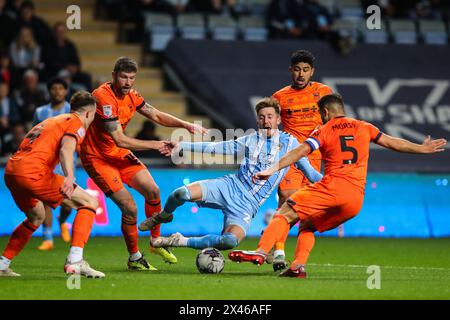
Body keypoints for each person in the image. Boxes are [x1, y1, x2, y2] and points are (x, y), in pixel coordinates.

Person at [228, 93, 447, 278]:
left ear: (324, 112)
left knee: (284, 213)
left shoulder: (324, 129)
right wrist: (421, 148)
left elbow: (299, 152)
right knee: (308, 225)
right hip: (355, 200)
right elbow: (393, 143)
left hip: (331, 187)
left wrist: (271, 168)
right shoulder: (365, 127)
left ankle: (260, 251)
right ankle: (297, 266)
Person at [137, 97, 322, 251]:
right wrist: (181, 145)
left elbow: (312, 174)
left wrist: (339, 182)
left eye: (270, 117)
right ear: (257, 121)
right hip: (229, 186)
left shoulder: (292, 145)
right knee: (179, 194)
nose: (266, 121)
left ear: (278, 120)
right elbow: (217, 148)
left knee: (229, 242)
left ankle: (177, 240)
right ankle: (164, 215)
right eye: (262, 117)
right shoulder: (250, 139)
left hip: (247, 205)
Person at [79, 56, 208, 271]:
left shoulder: (132, 96)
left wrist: (184, 124)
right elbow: (119, 138)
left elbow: (155, 114)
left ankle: (156, 241)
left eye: (131, 78)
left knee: (153, 191)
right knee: (130, 208)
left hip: (118, 154)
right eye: (123, 77)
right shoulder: (103, 98)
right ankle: (134, 257)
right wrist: (156, 145)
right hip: (97, 158)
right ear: (114, 76)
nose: (127, 82)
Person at [0, 91, 105, 278]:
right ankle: (75, 261)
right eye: (94, 116)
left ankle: (2, 264)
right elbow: (67, 148)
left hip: (12, 171)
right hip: (33, 173)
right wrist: (69, 176)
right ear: (89, 113)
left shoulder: (51, 121)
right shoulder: (76, 122)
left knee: (36, 216)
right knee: (89, 202)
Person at [270, 49, 332, 270]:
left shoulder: (324, 92)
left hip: (315, 156)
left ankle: (298, 261)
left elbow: (333, 120)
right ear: (291, 71)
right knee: (286, 197)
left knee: (307, 213)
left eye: (305, 70)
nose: (301, 74)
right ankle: (278, 252)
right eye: (297, 69)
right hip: (290, 155)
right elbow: (270, 124)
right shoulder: (279, 97)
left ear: (312, 71)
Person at [32, 77, 73, 250]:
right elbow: (34, 135)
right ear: (49, 91)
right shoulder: (40, 112)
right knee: (45, 201)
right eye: (54, 88)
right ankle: (48, 239)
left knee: (68, 201)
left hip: (66, 162)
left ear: (65, 91)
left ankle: (62, 220)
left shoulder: (72, 111)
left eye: (60, 88)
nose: (57, 91)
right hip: (44, 162)